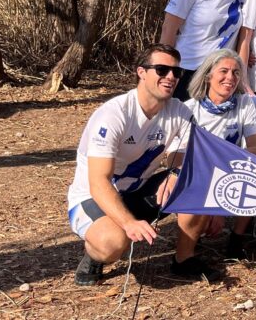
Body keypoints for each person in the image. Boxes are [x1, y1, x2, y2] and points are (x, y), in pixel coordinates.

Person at [66, 44, 221, 285]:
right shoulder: (114, 114)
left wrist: (176, 173)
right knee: (113, 242)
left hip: (138, 190)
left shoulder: (180, 112)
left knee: (195, 180)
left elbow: (185, 156)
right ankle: (94, 256)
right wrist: (129, 223)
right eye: (162, 70)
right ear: (141, 72)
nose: (170, 77)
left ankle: (184, 258)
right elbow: (98, 182)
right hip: (94, 197)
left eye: (176, 72)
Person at [183, 49, 256, 259]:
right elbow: (181, 157)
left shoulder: (245, 103)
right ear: (208, 76)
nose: (230, 77)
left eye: (236, 73)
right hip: (200, 173)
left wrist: (220, 207)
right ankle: (193, 236)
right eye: (224, 71)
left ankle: (237, 239)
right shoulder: (188, 109)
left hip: (233, 171)